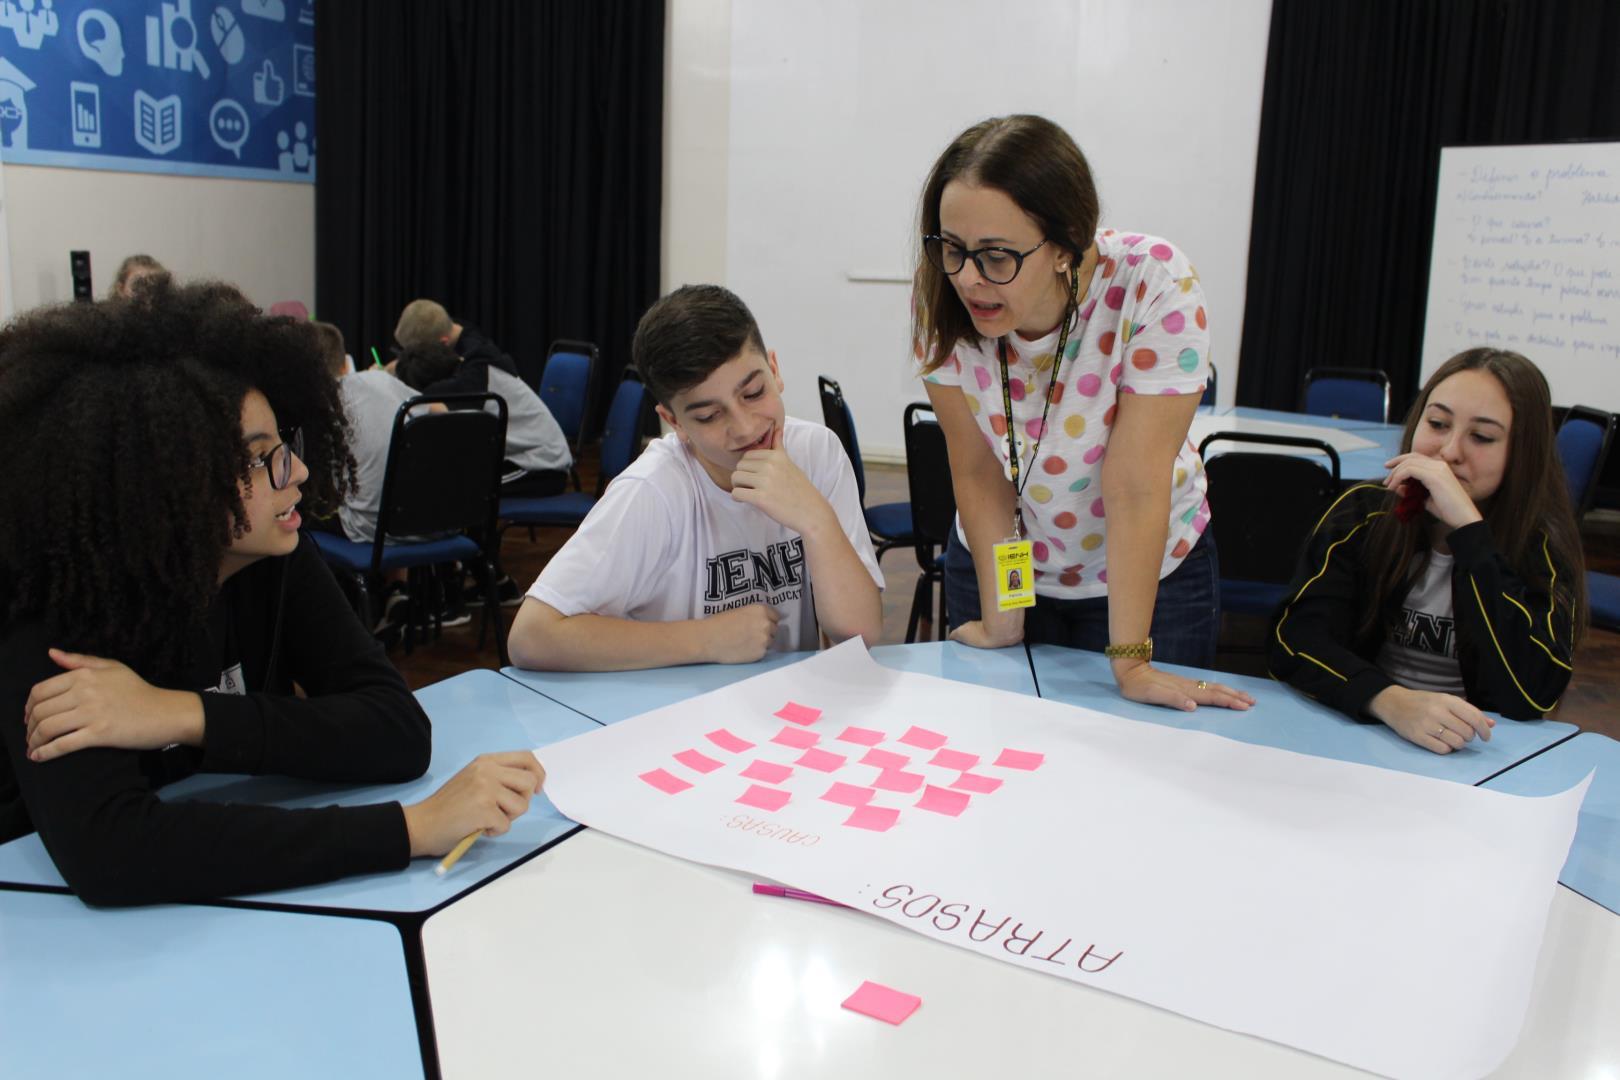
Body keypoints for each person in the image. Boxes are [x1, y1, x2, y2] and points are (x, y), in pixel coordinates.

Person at [0, 282, 545, 906]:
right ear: (171, 487)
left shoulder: (273, 555)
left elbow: (396, 730)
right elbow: (111, 851)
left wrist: (180, 712)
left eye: (284, 445)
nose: (299, 472)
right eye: (261, 460)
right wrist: (409, 828)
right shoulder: (58, 603)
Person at [913, 114, 1252, 713]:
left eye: (996, 256)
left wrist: (1131, 661)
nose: (968, 278)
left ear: (1068, 245)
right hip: (1005, 556)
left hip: (1146, 571)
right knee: (997, 750)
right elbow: (975, 469)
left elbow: (1135, 485)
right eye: (953, 248)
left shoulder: (1153, 284)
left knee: (1140, 763)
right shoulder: (941, 300)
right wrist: (1003, 621)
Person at [507, 284, 884, 671]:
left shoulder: (817, 453)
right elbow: (531, 637)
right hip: (676, 715)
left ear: (774, 370)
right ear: (674, 422)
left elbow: (861, 633)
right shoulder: (653, 489)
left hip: (784, 714)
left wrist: (815, 519)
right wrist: (706, 639)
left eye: (753, 393)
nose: (744, 427)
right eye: (708, 416)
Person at [1268, 348, 1585, 752]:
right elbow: (1293, 640)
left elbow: (1531, 693)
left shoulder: (1542, 545)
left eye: (1482, 437)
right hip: (1365, 729)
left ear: (1521, 453)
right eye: (1437, 424)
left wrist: (1471, 534)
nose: (1449, 451)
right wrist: (1389, 701)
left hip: (1479, 750)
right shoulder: (1364, 513)